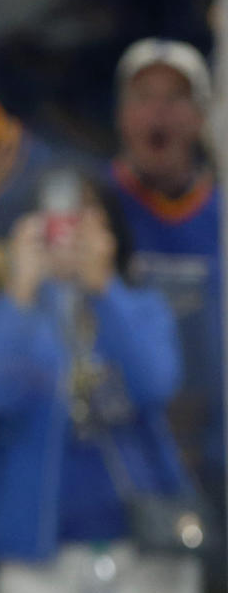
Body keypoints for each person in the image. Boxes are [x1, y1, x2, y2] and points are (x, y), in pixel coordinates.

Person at [0, 170, 201, 593]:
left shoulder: (139, 304)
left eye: (82, 219)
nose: (68, 231)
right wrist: (22, 284)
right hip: (37, 556)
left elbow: (155, 383)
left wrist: (104, 285)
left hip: (146, 548)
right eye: (57, 218)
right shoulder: (16, 309)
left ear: (108, 229)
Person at [109, 39, 222, 508]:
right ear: (121, 114)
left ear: (200, 117)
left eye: (175, 98)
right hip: (124, 453)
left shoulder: (220, 210)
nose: (159, 112)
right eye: (143, 97)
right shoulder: (93, 206)